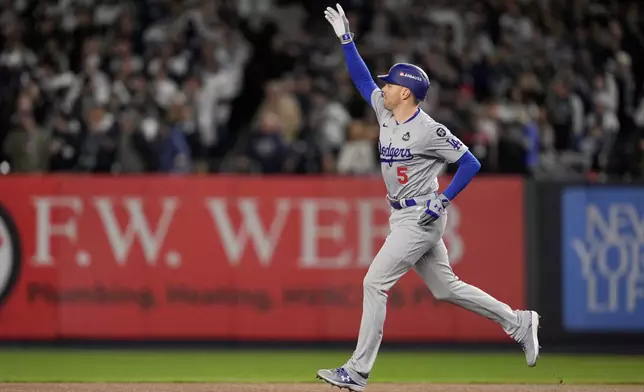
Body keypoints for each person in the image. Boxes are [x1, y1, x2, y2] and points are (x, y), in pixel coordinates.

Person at [316, 5, 541, 392]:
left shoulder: (429, 130)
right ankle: (517, 321)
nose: (382, 88)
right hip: (402, 215)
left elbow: (470, 162)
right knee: (445, 288)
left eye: (389, 84)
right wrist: (346, 40)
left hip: (422, 215)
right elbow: (361, 79)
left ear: (405, 92)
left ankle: (357, 371)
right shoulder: (385, 114)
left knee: (374, 282)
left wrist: (445, 198)